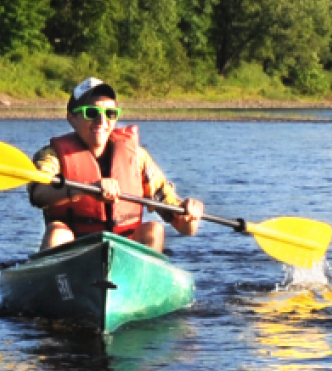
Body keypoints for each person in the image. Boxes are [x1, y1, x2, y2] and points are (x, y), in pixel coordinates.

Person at [27, 77, 204, 253]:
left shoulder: (138, 159)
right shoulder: (52, 156)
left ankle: (143, 278)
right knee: (57, 232)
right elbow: (38, 194)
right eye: (92, 112)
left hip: (124, 254)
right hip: (74, 252)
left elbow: (185, 228)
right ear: (71, 117)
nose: (102, 121)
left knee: (153, 230)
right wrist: (84, 189)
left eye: (110, 114)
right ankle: (52, 276)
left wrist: (190, 215)